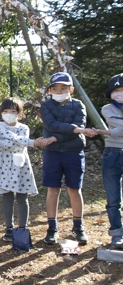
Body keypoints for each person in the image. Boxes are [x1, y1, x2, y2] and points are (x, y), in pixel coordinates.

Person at [40, 72, 96, 245]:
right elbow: (52, 125)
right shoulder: (46, 106)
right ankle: (52, 228)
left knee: (74, 189)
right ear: (49, 90)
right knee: (53, 190)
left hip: (74, 153)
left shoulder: (79, 105)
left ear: (71, 89)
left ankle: (78, 227)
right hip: (52, 153)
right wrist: (75, 131)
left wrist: (56, 137)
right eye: (55, 88)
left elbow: (80, 128)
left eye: (63, 88)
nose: (59, 91)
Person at [0, 97, 45, 241]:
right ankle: (8, 227)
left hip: (21, 168)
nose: (9, 114)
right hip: (5, 168)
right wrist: (32, 142)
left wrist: (1, 142)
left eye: (13, 111)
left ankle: (22, 227)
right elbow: (9, 142)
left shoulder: (24, 128)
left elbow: (16, 144)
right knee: (7, 197)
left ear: (19, 113)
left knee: (22, 197)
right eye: (5, 111)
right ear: (1, 112)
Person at [93, 74, 123, 248]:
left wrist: (110, 131)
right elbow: (117, 127)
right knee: (113, 199)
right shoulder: (107, 109)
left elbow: (117, 128)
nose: (120, 93)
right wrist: (112, 131)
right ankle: (116, 233)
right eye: (116, 90)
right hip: (112, 153)